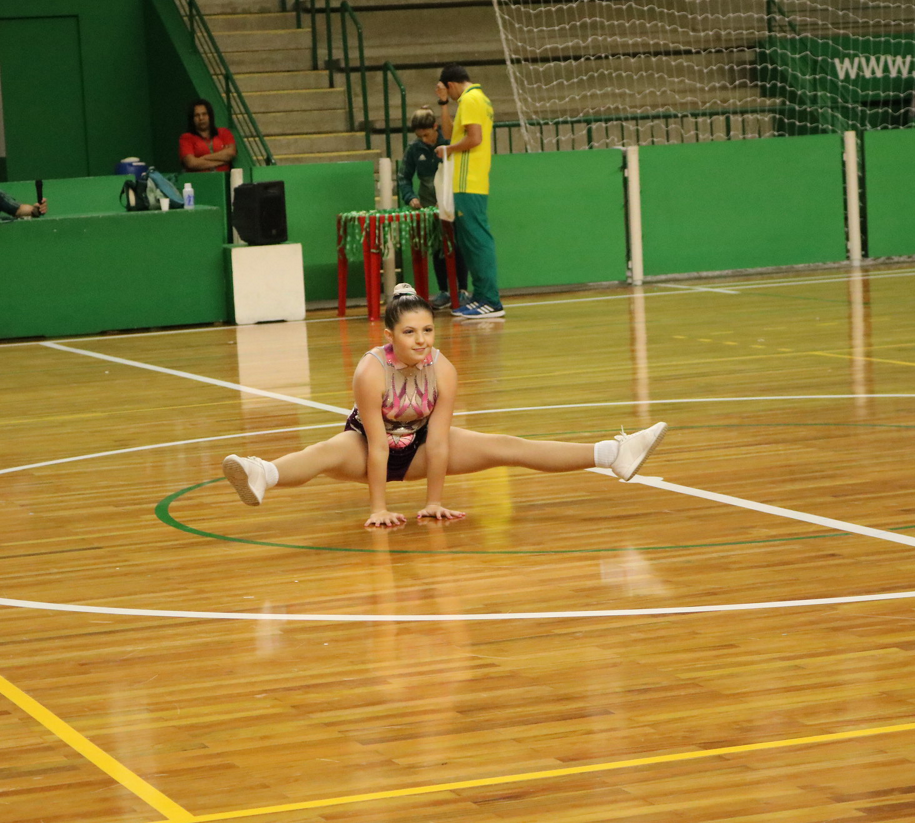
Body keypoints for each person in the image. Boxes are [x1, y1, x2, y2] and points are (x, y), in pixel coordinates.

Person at [222, 283, 667, 528]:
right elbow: (377, 446)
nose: (421, 340)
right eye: (409, 332)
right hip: (366, 449)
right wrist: (378, 507)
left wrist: (434, 501)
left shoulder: (443, 370)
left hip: (419, 448)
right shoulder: (370, 372)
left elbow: (437, 443)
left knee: (506, 445)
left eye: (427, 331)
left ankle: (613, 453)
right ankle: (262, 473)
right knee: (323, 452)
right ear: (389, 337)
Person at [434, 64, 503, 320]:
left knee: (477, 240)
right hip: (469, 182)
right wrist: (443, 104)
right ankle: (481, 295)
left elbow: (474, 138)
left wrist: (449, 150)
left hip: (468, 182)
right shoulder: (476, 99)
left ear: (451, 85)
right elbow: (450, 134)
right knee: (470, 241)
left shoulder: (471, 99)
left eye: (448, 92)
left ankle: (491, 300)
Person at [397, 106, 469, 310]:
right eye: (420, 136)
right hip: (429, 207)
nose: (424, 139)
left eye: (427, 135)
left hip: (452, 203)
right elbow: (403, 178)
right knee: (438, 248)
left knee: (457, 245)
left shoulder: (450, 142)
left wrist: (447, 198)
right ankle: (444, 291)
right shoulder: (414, 149)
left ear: (435, 127)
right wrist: (410, 197)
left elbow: (459, 171)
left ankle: (463, 290)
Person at [180, 98, 236, 173]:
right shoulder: (186, 138)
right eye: (197, 115)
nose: (201, 118)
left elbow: (231, 153)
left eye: (204, 114)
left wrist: (202, 158)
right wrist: (223, 160)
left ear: (210, 116)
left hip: (223, 177)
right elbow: (191, 163)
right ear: (192, 119)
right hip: (200, 178)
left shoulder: (224, 132)